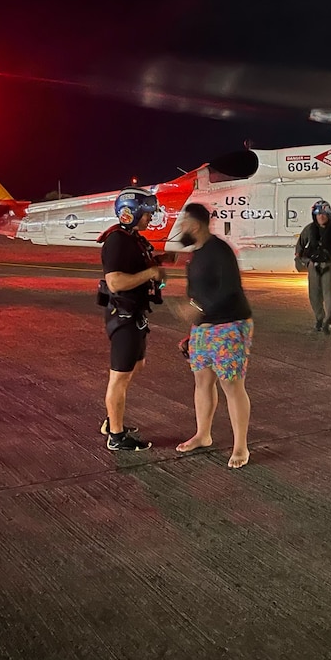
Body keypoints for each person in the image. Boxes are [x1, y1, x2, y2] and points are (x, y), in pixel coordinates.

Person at [174, 203, 254, 468]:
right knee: (202, 382)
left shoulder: (219, 251)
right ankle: (203, 434)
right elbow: (196, 295)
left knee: (231, 385)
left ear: (195, 224)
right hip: (203, 329)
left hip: (229, 325)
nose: (181, 227)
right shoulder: (196, 254)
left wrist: (197, 310)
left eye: (184, 222)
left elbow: (230, 289)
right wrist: (194, 328)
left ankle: (240, 446)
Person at [96, 188, 164, 451]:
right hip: (122, 316)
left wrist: (158, 263)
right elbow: (115, 282)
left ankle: (114, 417)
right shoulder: (117, 241)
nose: (150, 218)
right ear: (132, 213)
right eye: (146, 214)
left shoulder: (131, 238)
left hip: (134, 314)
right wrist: (150, 273)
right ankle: (115, 435)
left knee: (137, 365)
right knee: (119, 376)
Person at [295, 200, 331, 334]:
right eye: (318, 214)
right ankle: (319, 318)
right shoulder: (309, 229)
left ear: (329, 215)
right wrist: (301, 259)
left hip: (330, 264)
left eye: (324, 214)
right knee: (314, 295)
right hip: (313, 265)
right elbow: (300, 245)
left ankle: (328, 321)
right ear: (314, 215)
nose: (321, 216)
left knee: (329, 294)